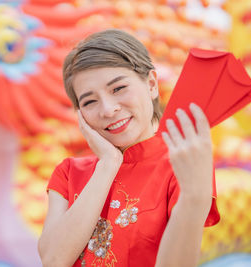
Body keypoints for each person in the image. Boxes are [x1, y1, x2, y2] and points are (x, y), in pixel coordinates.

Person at [38, 29, 220, 267]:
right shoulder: (68, 173)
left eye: (118, 88)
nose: (108, 109)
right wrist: (108, 164)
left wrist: (195, 197)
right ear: (80, 114)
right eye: (90, 101)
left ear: (152, 84)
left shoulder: (182, 164)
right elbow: (53, 260)